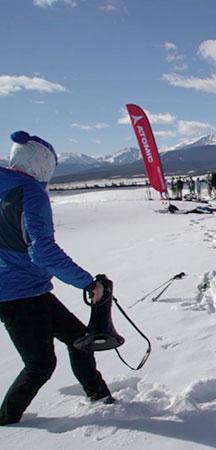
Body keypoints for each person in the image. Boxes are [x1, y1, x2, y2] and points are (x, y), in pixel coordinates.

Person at [0, 131, 114, 426]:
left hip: (31, 291)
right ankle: (6, 418)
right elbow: (43, 251)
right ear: (42, 162)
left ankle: (100, 396)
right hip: (18, 296)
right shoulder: (30, 192)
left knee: (80, 339)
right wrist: (88, 282)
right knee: (40, 364)